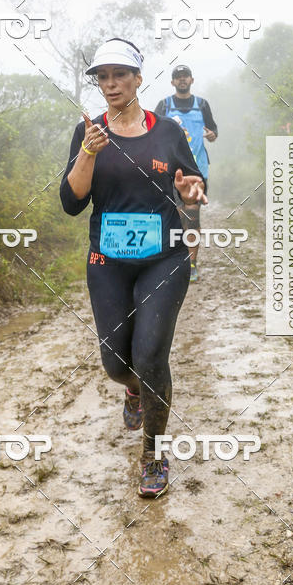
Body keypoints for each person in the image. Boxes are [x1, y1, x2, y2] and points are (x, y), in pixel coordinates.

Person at [60, 38, 207, 498]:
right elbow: (70, 203)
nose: (110, 84)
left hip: (163, 258)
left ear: (138, 78)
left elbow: (193, 186)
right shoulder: (88, 131)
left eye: (119, 75)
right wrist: (88, 151)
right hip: (107, 262)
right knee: (116, 364)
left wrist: (191, 200)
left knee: (149, 357)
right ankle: (133, 391)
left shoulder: (167, 131)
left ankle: (153, 455)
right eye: (102, 77)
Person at [154, 65, 218, 282]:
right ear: (172, 82)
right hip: (170, 171)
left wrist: (211, 135)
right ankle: (174, 261)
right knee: (176, 217)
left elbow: (214, 131)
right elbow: (151, 133)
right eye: (177, 77)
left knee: (192, 216)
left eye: (185, 77)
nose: (182, 80)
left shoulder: (202, 105)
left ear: (192, 79)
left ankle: (191, 264)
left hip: (197, 169)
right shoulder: (164, 106)